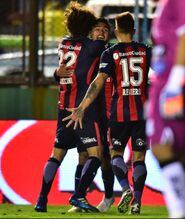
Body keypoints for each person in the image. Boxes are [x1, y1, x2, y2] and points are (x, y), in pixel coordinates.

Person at [63, 12, 151, 215]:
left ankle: (125, 188)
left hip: (119, 113)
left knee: (115, 154)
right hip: (142, 112)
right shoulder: (146, 50)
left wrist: (82, 106)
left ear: (116, 31)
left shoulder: (110, 53)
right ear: (135, 31)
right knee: (139, 159)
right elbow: (167, 71)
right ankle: (136, 203)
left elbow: (98, 81)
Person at [34, 2, 106, 213]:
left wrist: (57, 73)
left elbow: (63, 71)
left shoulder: (63, 44)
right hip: (81, 111)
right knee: (96, 154)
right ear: (88, 27)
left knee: (56, 155)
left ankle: (41, 200)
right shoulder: (93, 46)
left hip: (63, 108)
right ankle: (78, 195)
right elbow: (109, 49)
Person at [146, 0, 185, 218]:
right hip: (166, 82)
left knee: (161, 146)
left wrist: (175, 82)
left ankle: (180, 212)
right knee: (178, 152)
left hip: (174, 84)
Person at [66, 18, 115, 213]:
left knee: (104, 155)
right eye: (97, 29)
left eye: (105, 30)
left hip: (105, 109)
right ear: (90, 33)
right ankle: (79, 198)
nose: (102, 33)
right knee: (83, 154)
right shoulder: (85, 51)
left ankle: (108, 196)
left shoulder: (110, 52)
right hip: (85, 109)